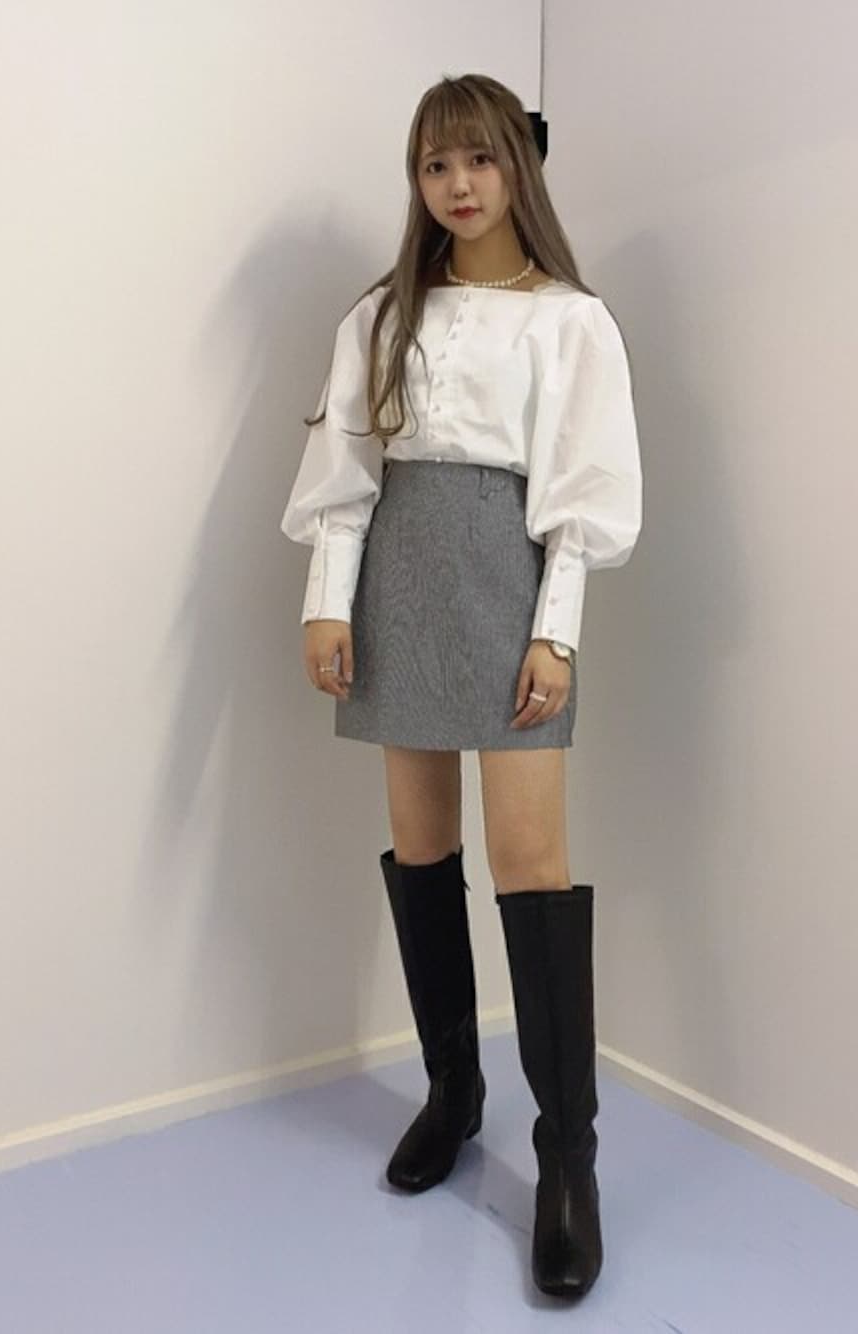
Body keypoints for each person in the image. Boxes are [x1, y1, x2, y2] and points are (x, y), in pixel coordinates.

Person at [280, 72, 642, 1300]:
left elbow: (583, 495)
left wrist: (557, 634)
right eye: (435, 163)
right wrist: (328, 598)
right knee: (422, 844)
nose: (458, 183)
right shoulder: (382, 312)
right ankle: (453, 1088)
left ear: (518, 166)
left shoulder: (570, 321)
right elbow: (346, 466)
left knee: (531, 860)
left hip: (509, 581)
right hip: (399, 577)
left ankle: (567, 1157)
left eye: (479, 158)